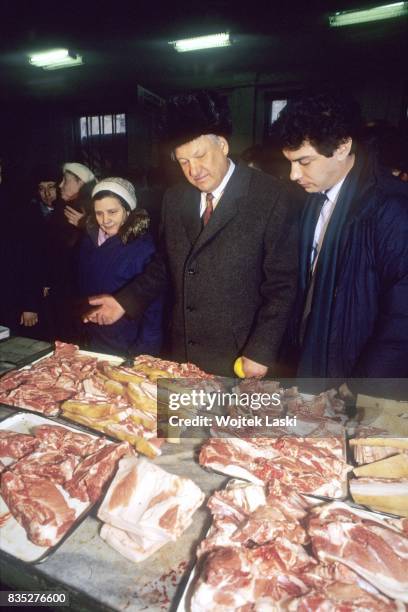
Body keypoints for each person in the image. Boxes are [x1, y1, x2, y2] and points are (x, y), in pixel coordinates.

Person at [84, 91, 298, 377]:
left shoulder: (270, 195)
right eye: (183, 161)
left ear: (222, 145)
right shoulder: (175, 198)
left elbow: (283, 285)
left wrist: (262, 349)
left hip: (240, 355)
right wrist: (126, 300)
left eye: (199, 156)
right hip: (183, 351)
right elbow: (165, 264)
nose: (193, 170)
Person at [272, 91, 408, 382]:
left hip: (357, 377)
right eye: (290, 161)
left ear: (343, 146)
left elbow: (401, 320)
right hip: (308, 363)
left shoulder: (392, 208)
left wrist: (366, 391)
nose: (293, 174)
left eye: (304, 161)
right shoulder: (310, 199)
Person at [78, 177, 162, 357]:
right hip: (90, 339)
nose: (105, 220)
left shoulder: (143, 247)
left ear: (128, 210)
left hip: (126, 344)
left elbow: (155, 308)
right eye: (98, 213)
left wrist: (143, 354)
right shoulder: (87, 241)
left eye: (112, 212)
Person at [46, 162, 96, 342]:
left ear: (81, 183)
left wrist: (87, 225)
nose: (60, 185)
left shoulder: (85, 209)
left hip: (75, 292)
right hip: (65, 289)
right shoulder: (68, 206)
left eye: (65, 181)